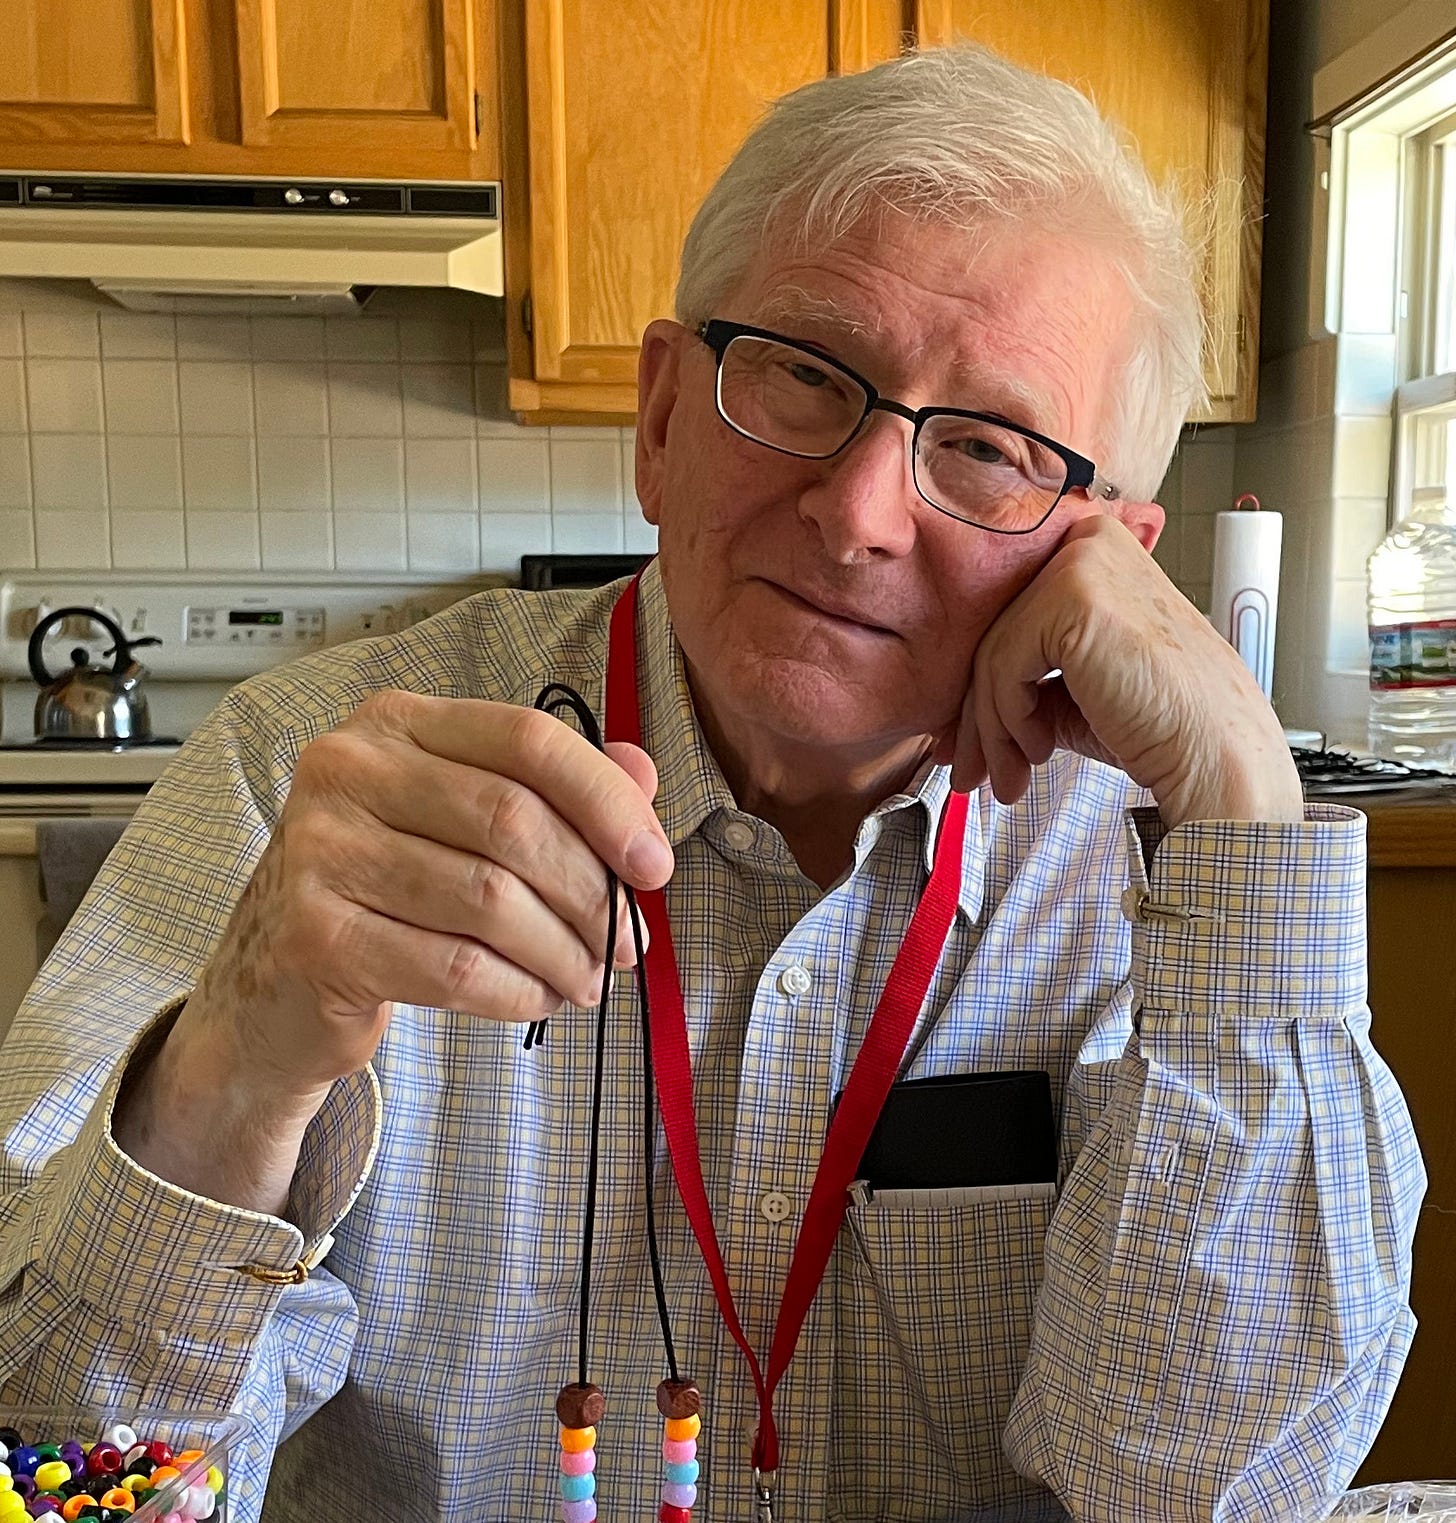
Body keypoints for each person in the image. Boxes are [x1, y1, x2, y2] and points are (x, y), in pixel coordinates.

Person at [0, 44, 1424, 1523]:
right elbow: (55, 1478)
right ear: (664, 415)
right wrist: (235, 1069)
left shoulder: (1175, 877)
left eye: (990, 449)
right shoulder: (304, 778)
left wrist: (1244, 809)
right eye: (806, 375)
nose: (858, 513)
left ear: (1111, 554)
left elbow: (1211, 1495)